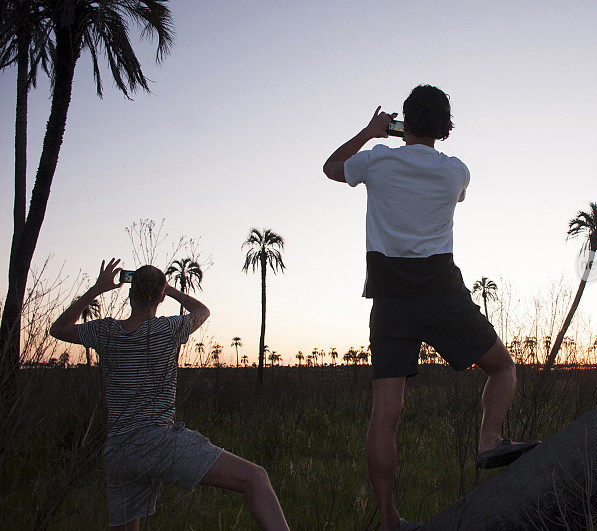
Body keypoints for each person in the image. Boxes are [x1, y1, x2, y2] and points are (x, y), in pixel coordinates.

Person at [323, 85, 538, 530]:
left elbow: (331, 167)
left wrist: (370, 131)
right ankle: (489, 440)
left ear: (404, 121)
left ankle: (388, 521)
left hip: (390, 297)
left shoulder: (376, 160)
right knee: (502, 368)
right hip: (441, 291)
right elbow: (448, 195)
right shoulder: (456, 172)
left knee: (385, 414)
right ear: (444, 126)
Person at [50, 259, 289, 530]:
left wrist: (97, 289)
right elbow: (202, 310)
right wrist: (170, 290)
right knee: (256, 478)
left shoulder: (105, 331)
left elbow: (57, 329)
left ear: (130, 294)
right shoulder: (168, 328)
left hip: (119, 451)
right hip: (156, 443)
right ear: (160, 297)